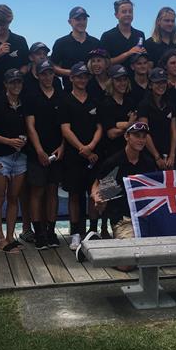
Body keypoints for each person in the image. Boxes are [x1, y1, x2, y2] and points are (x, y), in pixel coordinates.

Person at [0, 68, 28, 253]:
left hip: (20, 157)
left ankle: (10, 236)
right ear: (5, 84)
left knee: (14, 198)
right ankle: (0, 239)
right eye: (12, 82)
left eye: (19, 82)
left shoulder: (25, 104)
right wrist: (8, 141)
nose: (16, 85)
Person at [91, 122, 157, 248]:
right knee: (127, 264)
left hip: (145, 217)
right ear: (127, 137)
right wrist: (97, 198)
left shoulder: (148, 163)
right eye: (137, 136)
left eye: (144, 136)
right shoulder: (114, 162)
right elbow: (97, 186)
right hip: (122, 219)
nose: (141, 140)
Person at [60, 62, 103, 250]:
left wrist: (91, 146)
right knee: (74, 195)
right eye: (78, 76)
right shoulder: (65, 100)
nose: (82, 80)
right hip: (73, 155)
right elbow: (65, 129)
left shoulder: (95, 100)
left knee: (94, 195)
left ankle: (93, 231)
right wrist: (82, 148)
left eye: (85, 76)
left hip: (94, 155)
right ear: (71, 78)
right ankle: (76, 233)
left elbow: (100, 127)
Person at [24, 59, 65, 249]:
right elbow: (30, 127)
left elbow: (66, 125)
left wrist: (63, 146)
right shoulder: (31, 96)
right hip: (36, 152)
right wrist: (39, 150)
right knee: (37, 191)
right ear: (38, 75)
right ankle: (39, 232)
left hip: (57, 151)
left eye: (50, 73)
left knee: (52, 191)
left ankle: (51, 230)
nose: (48, 77)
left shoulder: (61, 95)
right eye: (44, 74)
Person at [96, 64, 137, 238]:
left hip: (127, 154)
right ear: (111, 82)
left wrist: (121, 125)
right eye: (117, 80)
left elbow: (134, 126)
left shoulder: (130, 101)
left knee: (124, 192)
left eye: (123, 79)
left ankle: (119, 225)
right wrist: (126, 124)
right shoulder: (105, 103)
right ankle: (101, 227)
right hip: (110, 154)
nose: (121, 83)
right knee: (107, 193)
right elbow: (111, 133)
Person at [51, 6, 101, 90]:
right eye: (78, 19)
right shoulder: (61, 43)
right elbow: (53, 66)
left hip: (94, 92)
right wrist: (71, 73)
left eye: (84, 19)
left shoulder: (96, 42)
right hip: (69, 93)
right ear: (70, 22)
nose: (82, 22)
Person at [138, 67, 176, 169]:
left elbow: (173, 131)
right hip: (149, 154)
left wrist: (172, 154)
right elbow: (144, 132)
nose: (161, 85)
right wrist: (157, 157)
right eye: (157, 82)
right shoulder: (144, 105)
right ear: (150, 85)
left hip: (168, 153)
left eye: (163, 82)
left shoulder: (170, 104)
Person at [144, 6, 176, 83]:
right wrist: (160, 80)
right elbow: (149, 68)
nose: (170, 23)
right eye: (167, 21)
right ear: (158, 22)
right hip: (159, 85)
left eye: (172, 21)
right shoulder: (150, 43)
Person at [100, 0, 146, 70]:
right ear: (116, 15)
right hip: (116, 80)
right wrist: (128, 54)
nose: (128, 14)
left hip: (137, 79)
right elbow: (105, 63)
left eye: (130, 11)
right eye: (124, 12)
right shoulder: (107, 36)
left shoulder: (140, 35)